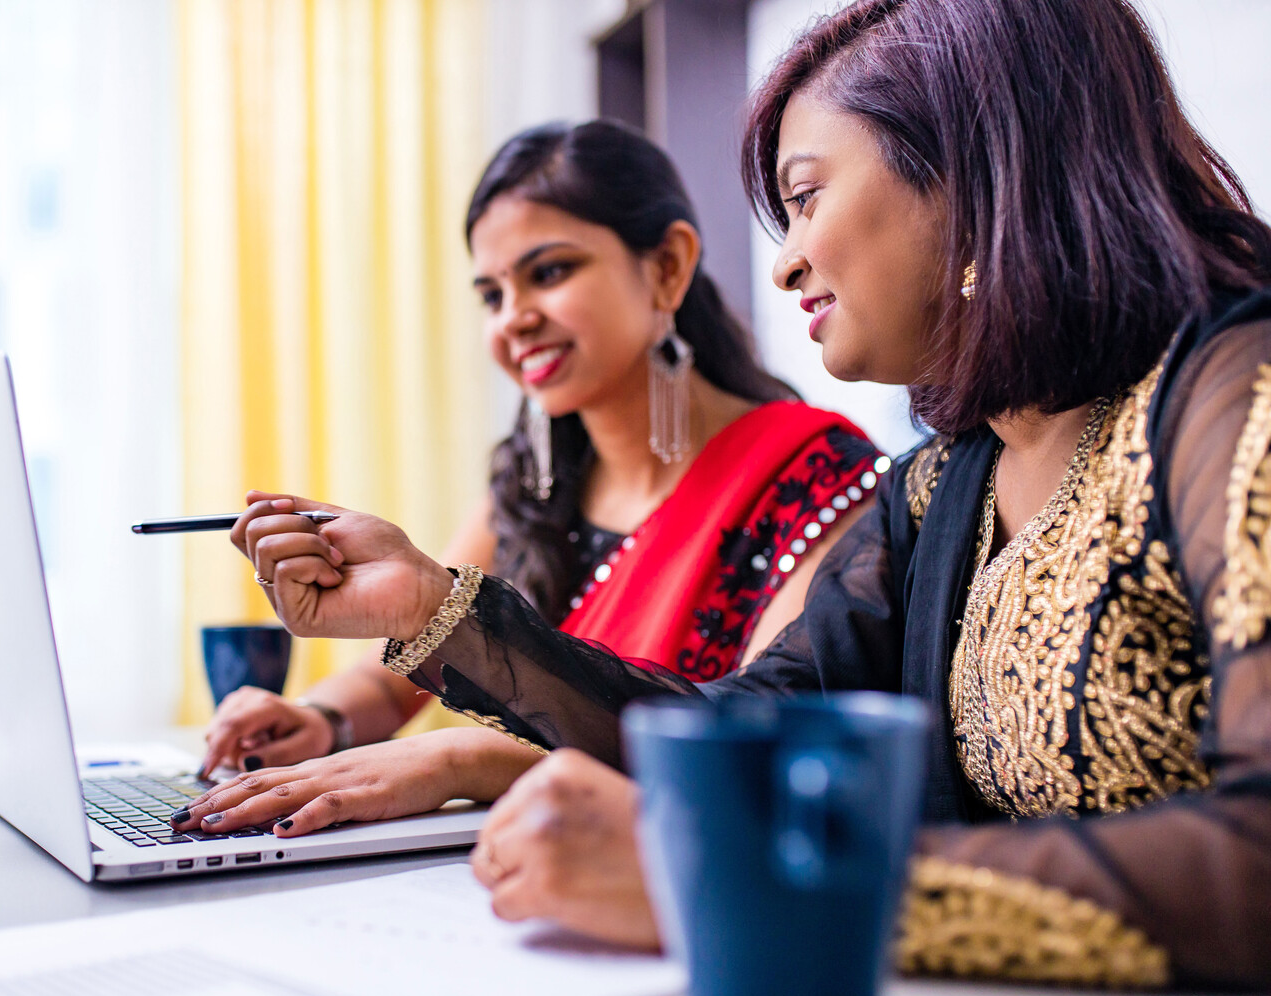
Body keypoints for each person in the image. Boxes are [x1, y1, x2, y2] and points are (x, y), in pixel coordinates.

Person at [223, 0, 1271, 991]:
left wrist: (744, 882)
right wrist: (425, 608)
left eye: (806, 197)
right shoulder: (949, 480)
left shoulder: (1234, 393)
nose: (786, 264)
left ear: (976, 177)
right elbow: (738, 726)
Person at [174, 122, 880, 833]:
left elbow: (756, 749)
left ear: (667, 266)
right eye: (492, 294)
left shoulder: (815, 477)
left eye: (549, 273)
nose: (515, 319)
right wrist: (317, 718)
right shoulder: (532, 484)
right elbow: (398, 682)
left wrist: (469, 760)